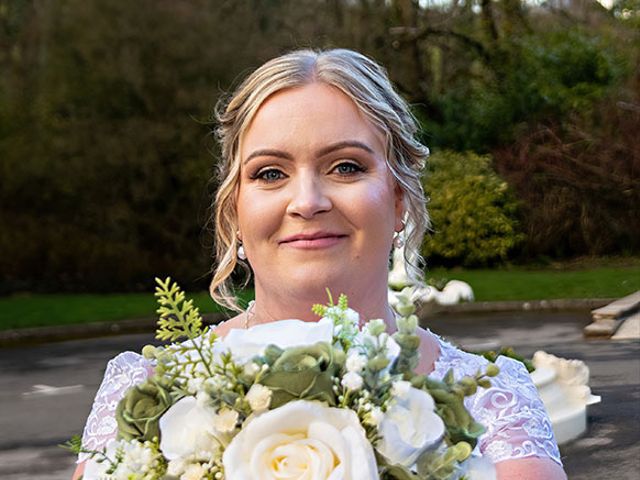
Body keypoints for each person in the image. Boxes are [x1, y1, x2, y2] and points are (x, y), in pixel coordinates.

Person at [73, 49, 566, 479]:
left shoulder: (492, 402)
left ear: (397, 199)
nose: (307, 201)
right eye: (270, 173)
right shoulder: (145, 394)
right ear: (235, 210)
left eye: (346, 166)